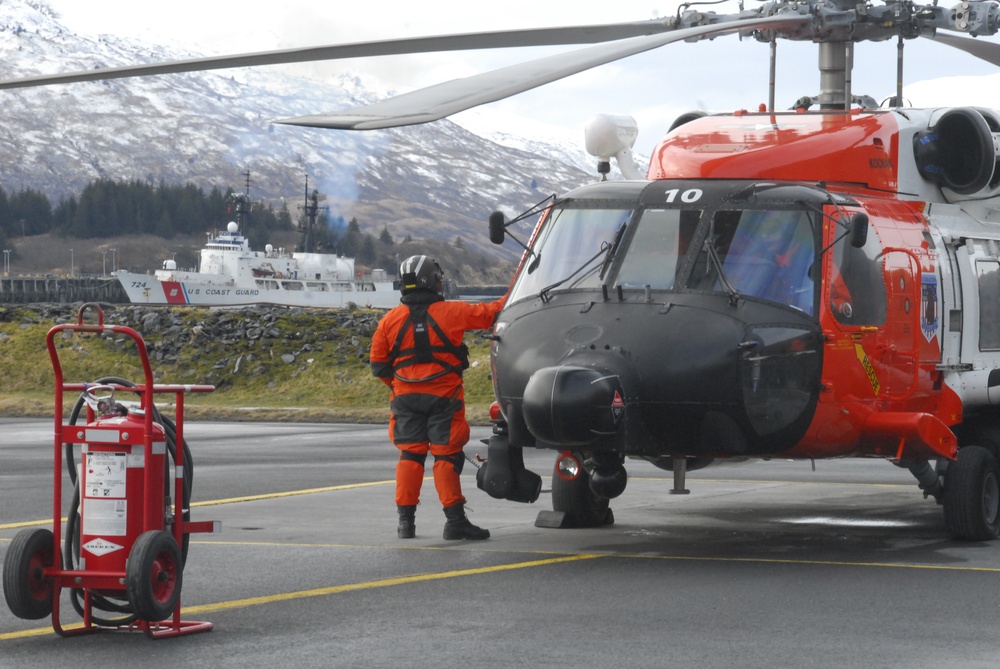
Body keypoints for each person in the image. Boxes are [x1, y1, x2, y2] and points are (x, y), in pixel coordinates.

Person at [369, 255, 506, 540]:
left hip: (405, 400)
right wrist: (518, 290)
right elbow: (490, 313)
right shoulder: (452, 313)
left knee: (410, 455)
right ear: (432, 281)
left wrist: (399, 386)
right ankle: (455, 522)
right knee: (446, 456)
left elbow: (379, 366)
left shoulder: (388, 322)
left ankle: (405, 524)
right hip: (445, 398)